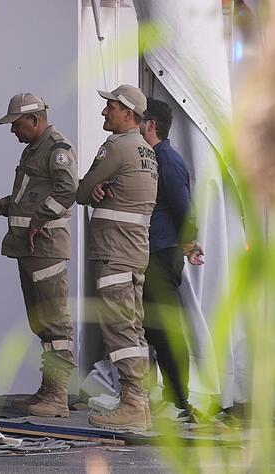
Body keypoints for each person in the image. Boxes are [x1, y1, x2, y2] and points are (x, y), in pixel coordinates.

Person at [0, 93, 78, 417]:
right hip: (29, 249)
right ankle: (48, 390)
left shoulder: (56, 149)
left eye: (16, 125)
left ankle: (58, 395)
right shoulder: (33, 151)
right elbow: (29, 197)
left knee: (56, 323)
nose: (13, 132)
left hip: (46, 249)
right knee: (41, 322)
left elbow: (67, 190)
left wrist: (39, 221)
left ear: (34, 120)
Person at [77, 84, 158, 431]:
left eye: (110, 107)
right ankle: (139, 401)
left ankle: (133, 405)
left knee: (119, 327)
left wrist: (91, 191)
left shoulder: (117, 146)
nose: (103, 112)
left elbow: (81, 191)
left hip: (114, 251)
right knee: (133, 326)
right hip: (135, 251)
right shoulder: (146, 151)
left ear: (127, 113)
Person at [139, 98, 204, 421]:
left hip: (161, 257)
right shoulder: (153, 158)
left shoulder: (167, 160)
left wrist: (190, 244)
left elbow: (184, 208)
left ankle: (178, 401)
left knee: (166, 329)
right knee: (154, 329)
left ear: (150, 125)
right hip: (152, 255)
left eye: (140, 118)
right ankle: (165, 397)